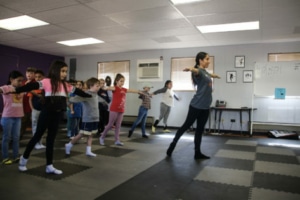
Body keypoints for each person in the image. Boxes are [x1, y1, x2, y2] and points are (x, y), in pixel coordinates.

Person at [14, 60, 91, 175]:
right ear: (56, 70)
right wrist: (16, 90)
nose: (65, 74)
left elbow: (79, 91)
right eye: (63, 71)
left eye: (66, 71)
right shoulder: (46, 81)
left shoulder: (66, 85)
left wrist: (90, 95)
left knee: (51, 140)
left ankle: (49, 166)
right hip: (47, 113)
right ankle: (23, 160)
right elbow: (32, 85)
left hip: (57, 114)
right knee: (37, 136)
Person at [166, 52, 220, 159]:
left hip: (205, 107)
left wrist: (214, 75)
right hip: (196, 106)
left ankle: (197, 153)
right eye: (207, 59)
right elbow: (196, 71)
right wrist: (191, 68)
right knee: (186, 126)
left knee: (200, 130)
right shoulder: (198, 72)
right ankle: (173, 144)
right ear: (200, 60)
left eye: (209, 59)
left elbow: (208, 75)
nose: (209, 61)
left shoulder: (205, 72)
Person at [65, 78, 107, 157]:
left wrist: (105, 102)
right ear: (91, 86)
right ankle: (69, 145)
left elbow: (99, 99)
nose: (99, 87)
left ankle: (88, 151)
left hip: (95, 118)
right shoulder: (86, 94)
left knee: (91, 135)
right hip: (87, 119)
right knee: (81, 134)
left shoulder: (95, 94)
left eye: (99, 86)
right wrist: (68, 100)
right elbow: (75, 99)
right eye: (97, 86)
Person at [99, 73, 142, 146]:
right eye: (121, 81)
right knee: (110, 125)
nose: (122, 83)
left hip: (121, 110)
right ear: (116, 81)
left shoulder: (124, 89)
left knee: (118, 125)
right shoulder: (115, 88)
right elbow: (108, 88)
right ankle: (102, 137)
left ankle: (117, 140)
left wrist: (139, 91)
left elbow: (131, 90)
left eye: (123, 81)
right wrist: (103, 86)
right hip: (114, 109)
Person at [0, 71, 24, 165]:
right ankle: (5, 157)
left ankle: (15, 156)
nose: (20, 83)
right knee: (6, 138)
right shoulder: (6, 88)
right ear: (11, 80)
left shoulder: (21, 89)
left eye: (22, 81)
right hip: (7, 117)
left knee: (16, 138)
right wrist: (10, 91)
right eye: (19, 81)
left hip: (18, 117)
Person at [28, 69, 46, 149]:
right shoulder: (33, 88)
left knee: (42, 127)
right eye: (36, 77)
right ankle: (35, 143)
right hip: (35, 110)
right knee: (35, 127)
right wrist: (32, 109)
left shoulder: (45, 88)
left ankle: (40, 142)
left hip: (44, 110)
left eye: (39, 77)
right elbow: (30, 100)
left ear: (43, 77)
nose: (37, 78)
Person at [20, 67, 36, 139]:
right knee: (22, 123)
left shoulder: (35, 83)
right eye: (27, 73)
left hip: (32, 106)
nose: (29, 74)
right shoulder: (23, 83)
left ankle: (36, 139)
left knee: (35, 123)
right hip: (23, 106)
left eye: (31, 73)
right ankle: (17, 138)